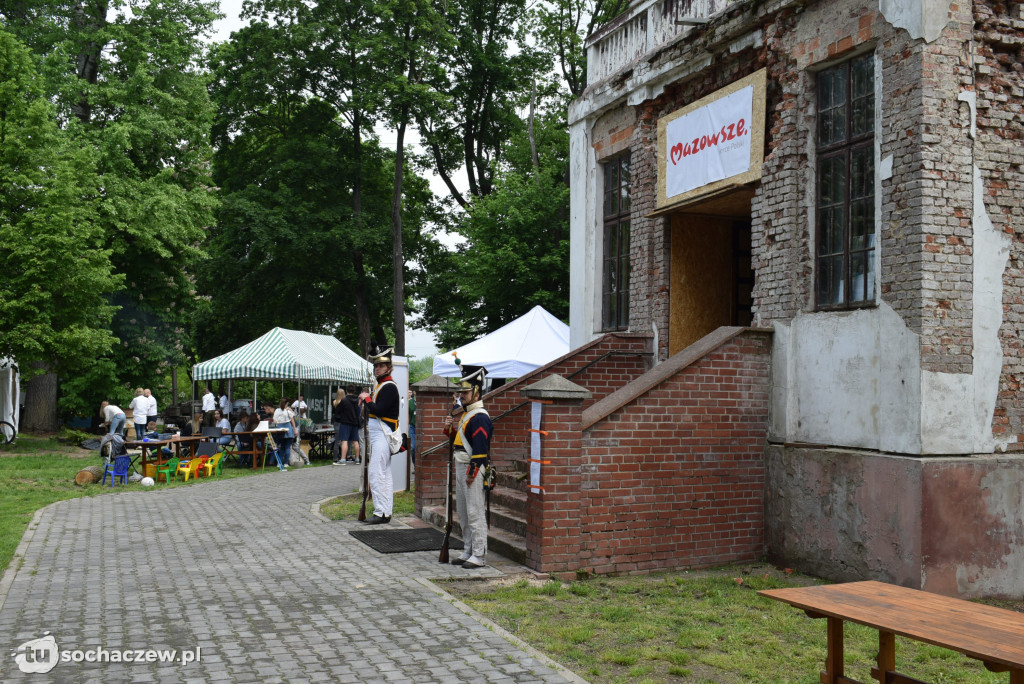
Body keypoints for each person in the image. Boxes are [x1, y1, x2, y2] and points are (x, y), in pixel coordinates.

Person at [442, 364, 493, 569]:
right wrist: (449, 429)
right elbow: (460, 442)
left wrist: (472, 473)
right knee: (463, 512)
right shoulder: (466, 415)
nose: (461, 396)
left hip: (473, 469)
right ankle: (468, 549)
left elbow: (480, 450)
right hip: (462, 466)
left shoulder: (479, 416)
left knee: (475, 512)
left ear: (476, 392)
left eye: (465, 392)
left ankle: (479, 554)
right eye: (461, 392)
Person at [360, 346, 400, 524]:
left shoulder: (389, 387)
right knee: (383, 473)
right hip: (379, 433)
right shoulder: (381, 386)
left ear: (389, 367)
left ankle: (381, 512)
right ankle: (384, 511)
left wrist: (366, 398)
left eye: (381, 366)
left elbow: (379, 410)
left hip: (383, 434)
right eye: (376, 366)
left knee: (377, 473)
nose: (377, 369)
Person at [332, 386, 361, 465]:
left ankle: (343, 459)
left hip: (345, 422)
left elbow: (338, 411)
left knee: (344, 441)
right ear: (354, 391)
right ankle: (357, 459)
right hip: (355, 423)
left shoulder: (344, 400)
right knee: (355, 441)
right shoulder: (358, 400)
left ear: (347, 391)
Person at [273, 398, 297, 471]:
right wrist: (295, 429)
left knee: (282, 447)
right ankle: (286, 463)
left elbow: (274, 420)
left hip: (280, 429)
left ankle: (279, 463)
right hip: (288, 428)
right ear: (286, 404)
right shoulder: (287, 411)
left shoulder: (277, 410)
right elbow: (293, 417)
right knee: (287, 447)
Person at [407, 389, 417, 465]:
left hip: (421, 427)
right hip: (412, 426)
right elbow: (407, 415)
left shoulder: (422, 401)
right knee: (413, 447)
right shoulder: (410, 402)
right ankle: (415, 465)